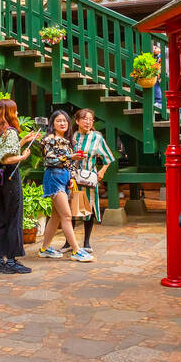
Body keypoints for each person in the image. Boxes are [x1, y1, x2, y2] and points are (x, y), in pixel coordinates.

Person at [0, 99, 39, 274]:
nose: (16, 114)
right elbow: (7, 158)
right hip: (10, 177)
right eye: (15, 111)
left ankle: (0, 260)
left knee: (0, 218)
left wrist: (23, 141)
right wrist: (23, 157)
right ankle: (12, 260)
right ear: (9, 113)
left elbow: (2, 152)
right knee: (14, 218)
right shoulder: (10, 132)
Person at [35, 111, 95, 262]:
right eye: (58, 121)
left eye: (65, 121)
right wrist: (70, 157)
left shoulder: (68, 141)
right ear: (52, 124)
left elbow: (71, 164)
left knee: (56, 215)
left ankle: (44, 249)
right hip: (53, 177)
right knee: (67, 215)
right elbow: (49, 160)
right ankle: (76, 250)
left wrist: (72, 178)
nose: (62, 123)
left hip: (65, 178)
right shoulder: (48, 140)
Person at [69, 108, 114, 252]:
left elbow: (108, 157)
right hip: (73, 178)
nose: (88, 122)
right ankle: (68, 242)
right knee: (70, 209)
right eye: (84, 119)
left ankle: (86, 242)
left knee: (89, 208)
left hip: (88, 178)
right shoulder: (72, 136)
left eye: (90, 119)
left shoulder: (97, 137)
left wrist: (102, 170)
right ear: (77, 121)